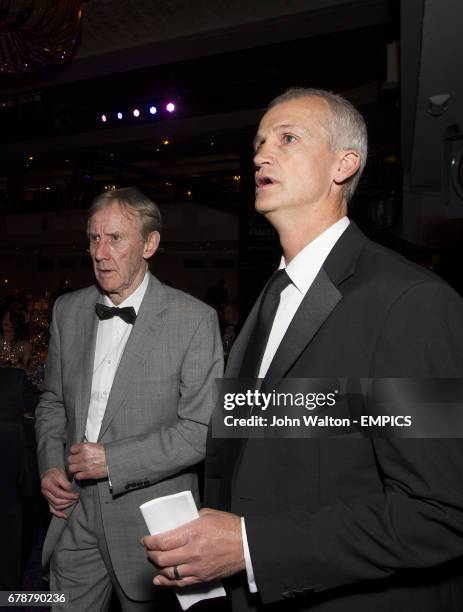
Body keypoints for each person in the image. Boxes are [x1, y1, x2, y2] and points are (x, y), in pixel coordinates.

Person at [142, 89, 463, 611]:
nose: (261, 156)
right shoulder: (271, 297)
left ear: (345, 164)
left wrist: (250, 547)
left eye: (287, 139)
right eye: (259, 144)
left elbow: (441, 510)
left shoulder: (411, 301)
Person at [35, 187, 223, 611]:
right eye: (93, 238)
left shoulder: (193, 320)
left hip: (150, 524)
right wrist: (49, 464)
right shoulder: (68, 310)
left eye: (115, 238)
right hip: (75, 515)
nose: (100, 252)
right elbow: (51, 403)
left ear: (150, 244)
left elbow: (199, 432)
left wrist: (113, 461)